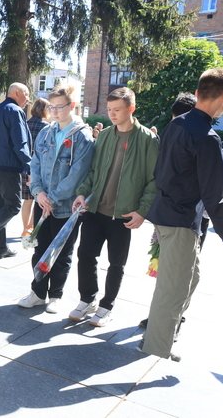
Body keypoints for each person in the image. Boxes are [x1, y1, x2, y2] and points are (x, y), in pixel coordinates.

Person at [141, 70, 223, 361]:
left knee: (189, 278)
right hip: (180, 221)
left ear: (198, 90)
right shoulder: (207, 138)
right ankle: (155, 351)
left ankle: (158, 340)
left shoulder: (176, 124)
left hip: (167, 215)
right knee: (173, 289)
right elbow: (215, 199)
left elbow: (160, 172)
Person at [70, 87, 158, 326]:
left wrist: (142, 211)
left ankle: (107, 305)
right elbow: (93, 171)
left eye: (117, 110)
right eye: (109, 109)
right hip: (96, 209)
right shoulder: (106, 135)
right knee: (85, 255)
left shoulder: (148, 140)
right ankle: (87, 298)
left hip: (124, 214)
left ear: (131, 109)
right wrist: (81, 193)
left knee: (116, 264)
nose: (112, 114)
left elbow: (154, 180)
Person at [18, 84, 95, 313]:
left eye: (59, 107)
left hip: (66, 207)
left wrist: (51, 197)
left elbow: (77, 174)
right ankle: (38, 292)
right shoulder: (46, 132)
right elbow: (36, 164)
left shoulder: (83, 136)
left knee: (61, 252)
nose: (54, 111)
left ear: (72, 106)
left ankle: (56, 295)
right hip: (43, 203)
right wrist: (39, 193)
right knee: (40, 248)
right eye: (52, 107)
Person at [139, 91, 198, 332]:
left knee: (180, 273)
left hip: (187, 220)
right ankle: (162, 319)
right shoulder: (177, 133)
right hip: (170, 216)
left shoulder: (193, 136)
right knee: (167, 270)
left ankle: (171, 321)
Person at [0, 82, 32, 260]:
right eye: (26, 94)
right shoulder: (15, 111)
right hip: (8, 167)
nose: (28, 99)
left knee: (1, 206)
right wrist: (29, 166)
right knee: (12, 206)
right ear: (17, 93)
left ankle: (1, 247)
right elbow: (21, 143)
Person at [20, 98, 49, 237]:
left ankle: (25, 228)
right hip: (39, 167)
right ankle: (32, 226)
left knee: (27, 200)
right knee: (37, 198)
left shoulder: (25, 124)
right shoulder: (46, 127)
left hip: (25, 165)